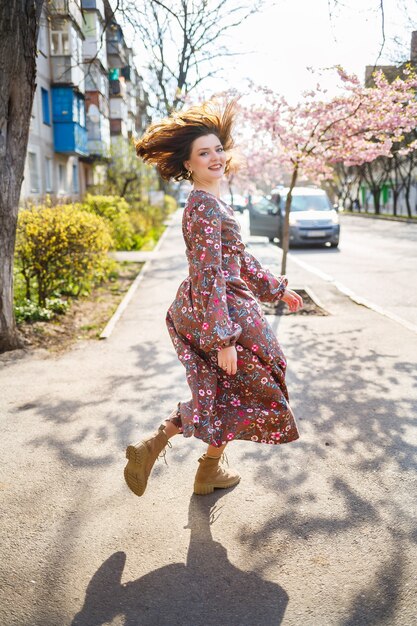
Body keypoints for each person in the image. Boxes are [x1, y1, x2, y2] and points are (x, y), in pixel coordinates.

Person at [124, 100, 303, 497]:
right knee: (260, 385)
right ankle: (189, 459)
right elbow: (208, 274)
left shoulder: (212, 202)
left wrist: (276, 288)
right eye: (204, 153)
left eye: (217, 149)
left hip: (221, 308)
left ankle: (191, 462)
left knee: (230, 390)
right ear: (188, 163)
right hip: (222, 311)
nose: (215, 157)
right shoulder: (203, 207)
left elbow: (235, 257)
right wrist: (224, 339)